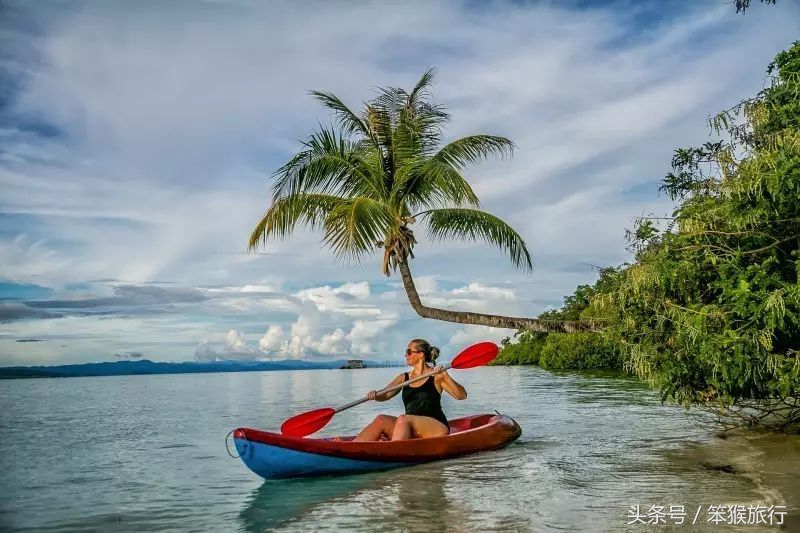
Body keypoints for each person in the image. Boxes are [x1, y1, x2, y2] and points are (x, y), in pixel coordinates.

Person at [353, 339, 467, 441]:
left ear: (421, 354)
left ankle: (392, 452)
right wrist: (376, 396)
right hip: (409, 426)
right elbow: (386, 394)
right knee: (381, 419)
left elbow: (461, 396)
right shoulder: (404, 378)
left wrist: (446, 376)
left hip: (436, 427)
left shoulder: (436, 376)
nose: (405, 355)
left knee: (403, 419)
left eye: (408, 352)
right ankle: (353, 448)